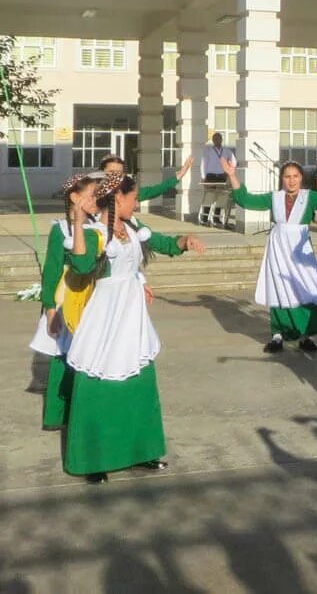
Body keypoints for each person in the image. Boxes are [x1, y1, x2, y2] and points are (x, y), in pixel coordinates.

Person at [64, 174, 205, 482]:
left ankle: (142, 451)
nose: (137, 202)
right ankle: (93, 459)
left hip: (133, 315)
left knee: (139, 383)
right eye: (134, 197)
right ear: (118, 198)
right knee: (100, 382)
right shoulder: (95, 233)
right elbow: (82, 264)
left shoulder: (133, 228)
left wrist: (184, 242)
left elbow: (164, 243)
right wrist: (77, 221)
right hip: (106, 315)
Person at [223, 156, 317, 353]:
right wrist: (232, 175)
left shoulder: (309, 197)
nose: (291, 180)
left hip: (301, 249)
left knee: (306, 287)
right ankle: (277, 335)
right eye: (287, 176)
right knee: (279, 288)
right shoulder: (274, 198)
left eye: (295, 176)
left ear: (301, 178)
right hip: (279, 249)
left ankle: (305, 335)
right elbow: (245, 199)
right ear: (282, 178)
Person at [29, 174, 103, 431]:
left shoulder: (98, 227)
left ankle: (83, 408)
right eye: (93, 194)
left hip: (90, 297)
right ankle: (58, 414)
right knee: (63, 356)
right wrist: (50, 309)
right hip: (65, 298)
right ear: (74, 197)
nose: (97, 200)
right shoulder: (60, 229)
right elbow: (51, 270)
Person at [100, 153, 194, 202]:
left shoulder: (128, 192)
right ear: (101, 172)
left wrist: (179, 175)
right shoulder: (92, 193)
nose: (115, 176)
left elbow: (155, 190)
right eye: (111, 172)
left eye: (119, 173)